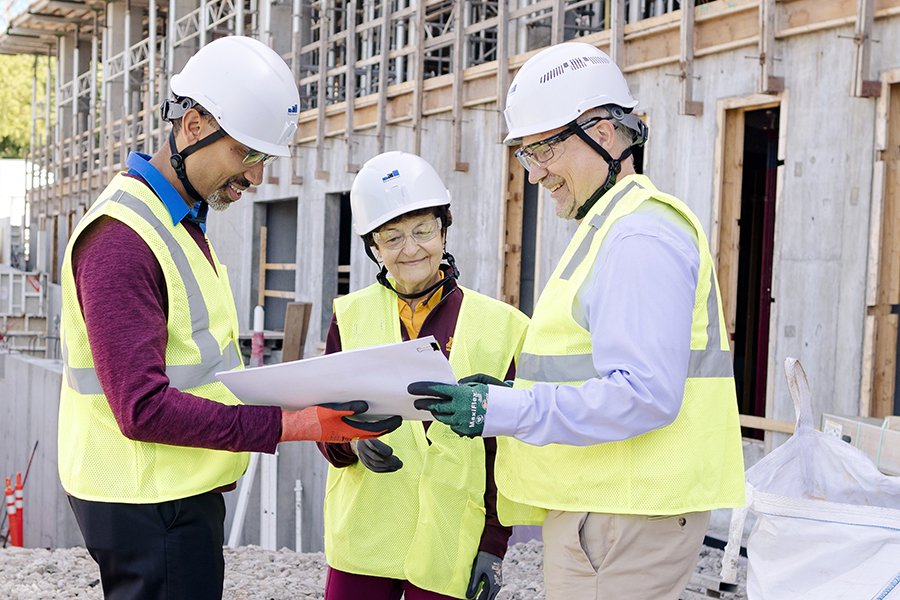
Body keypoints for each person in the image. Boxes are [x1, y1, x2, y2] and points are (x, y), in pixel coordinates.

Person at [57, 35, 399, 600]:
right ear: (193, 125)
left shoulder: (175, 221)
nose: (257, 177)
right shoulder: (122, 239)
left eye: (264, 159)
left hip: (169, 491)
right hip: (148, 500)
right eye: (247, 154)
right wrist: (296, 424)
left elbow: (200, 369)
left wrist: (298, 395)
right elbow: (142, 409)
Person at [411, 41, 746, 600]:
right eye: (526, 154)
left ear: (605, 133)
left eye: (544, 149)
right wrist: (513, 391)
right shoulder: (612, 228)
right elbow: (594, 371)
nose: (536, 172)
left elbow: (642, 395)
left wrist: (503, 408)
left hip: (624, 514)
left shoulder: (638, 236)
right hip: (614, 511)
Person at [316, 151, 529, 600]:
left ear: (444, 231)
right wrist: (351, 444)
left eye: (422, 231)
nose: (410, 249)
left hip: (450, 539)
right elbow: (323, 418)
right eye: (392, 237)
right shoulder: (349, 317)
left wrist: (493, 546)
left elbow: (506, 453)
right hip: (364, 537)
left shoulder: (502, 326)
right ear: (373, 247)